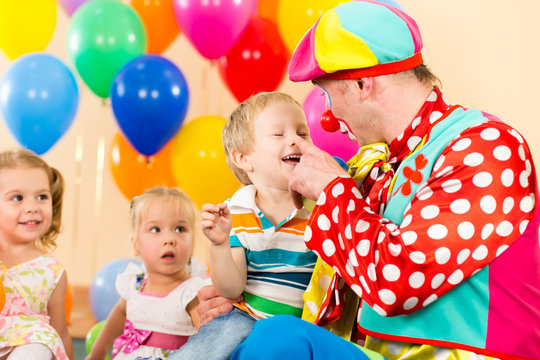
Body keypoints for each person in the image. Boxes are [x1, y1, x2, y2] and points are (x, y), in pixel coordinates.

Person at [209, 2, 540, 360]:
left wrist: (334, 192)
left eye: (327, 94)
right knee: (275, 338)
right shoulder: (375, 167)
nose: (328, 117)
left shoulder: (484, 146)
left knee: (279, 339)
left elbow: (399, 282)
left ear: (363, 84)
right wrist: (237, 306)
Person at [169, 92, 318, 360]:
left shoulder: (319, 206)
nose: (295, 140)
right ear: (244, 159)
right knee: (216, 340)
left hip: (304, 326)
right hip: (248, 319)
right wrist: (220, 244)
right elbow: (231, 289)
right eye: (278, 134)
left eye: (302, 133)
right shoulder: (236, 211)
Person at [85, 187, 208, 360]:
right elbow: (117, 319)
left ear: (192, 243)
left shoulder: (190, 292)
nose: (169, 239)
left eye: (180, 229)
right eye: (156, 229)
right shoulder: (136, 284)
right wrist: (96, 354)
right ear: (136, 244)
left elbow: (208, 340)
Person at [0, 148, 73, 360]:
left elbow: (60, 332)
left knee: (39, 345)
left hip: (24, 351)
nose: (32, 207)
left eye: (42, 196)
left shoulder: (52, 272)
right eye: (17, 198)